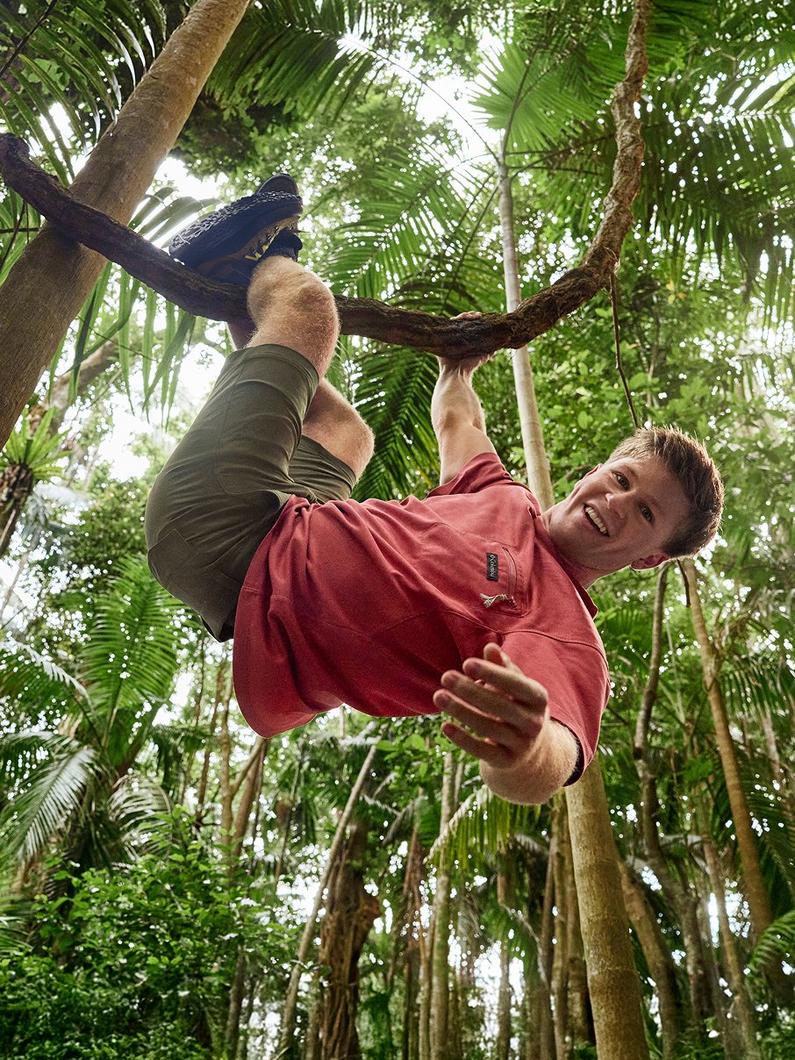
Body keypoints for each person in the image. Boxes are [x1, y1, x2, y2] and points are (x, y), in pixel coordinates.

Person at [146, 176, 724, 805]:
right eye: (620, 479)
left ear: (650, 557)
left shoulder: (563, 631)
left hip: (231, 540)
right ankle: (240, 287)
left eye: (644, 512)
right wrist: (458, 365)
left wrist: (525, 746)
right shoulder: (505, 498)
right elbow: (459, 420)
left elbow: (550, 757)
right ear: (597, 471)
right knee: (346, 433)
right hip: (290, 518)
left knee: (309, 309)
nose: (614, 502)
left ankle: (264, 261)